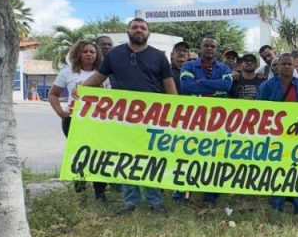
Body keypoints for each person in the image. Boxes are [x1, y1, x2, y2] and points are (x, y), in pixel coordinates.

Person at [82, 18, 177, 215]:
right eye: (135, 27)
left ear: (148, 33)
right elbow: (99, 77)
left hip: (153, 117)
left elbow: (168, 84)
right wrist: (81, 90)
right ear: (128, 31)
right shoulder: (115, 55)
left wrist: (176, 109)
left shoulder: (159, 56)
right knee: (126, 158)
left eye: (143, 28)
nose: (139, 30)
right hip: (122, 117)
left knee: (151, 158)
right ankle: (130, 201)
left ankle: (155, 202)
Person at [176, 35, 234, 204]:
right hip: (193, 117)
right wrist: (213, 88)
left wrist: (200, 83)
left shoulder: (224, 68)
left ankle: (211, 194)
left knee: (213, 155)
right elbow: (186, 86)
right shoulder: (188, 65)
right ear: (201, 48)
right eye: (206, 46)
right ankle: (181, 193)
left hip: (217, 119)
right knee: (187, 154)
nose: (209, 48)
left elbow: (227, 86)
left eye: (212, 46)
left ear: (216, 49)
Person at [49, 40, 107, 201]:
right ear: (78, 54)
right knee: (80, 156)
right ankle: (81, 194)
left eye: (92, 52)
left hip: (99, 122)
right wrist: (61, 112)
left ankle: (100, 192)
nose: (89, 54)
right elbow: (53, 94)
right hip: (74, 120)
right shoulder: (67, 73)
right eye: (85, 51)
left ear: (97, 55)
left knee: (99, 156)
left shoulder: (104, 73)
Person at [257, 53, 298, 213]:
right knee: (277, 169)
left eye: (290, 64)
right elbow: (259, 112)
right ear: (277, 66)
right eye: (283, 64)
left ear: (294, 66)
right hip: (276, 137)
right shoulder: (267, 86)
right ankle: (277, 203)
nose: (287, 67)